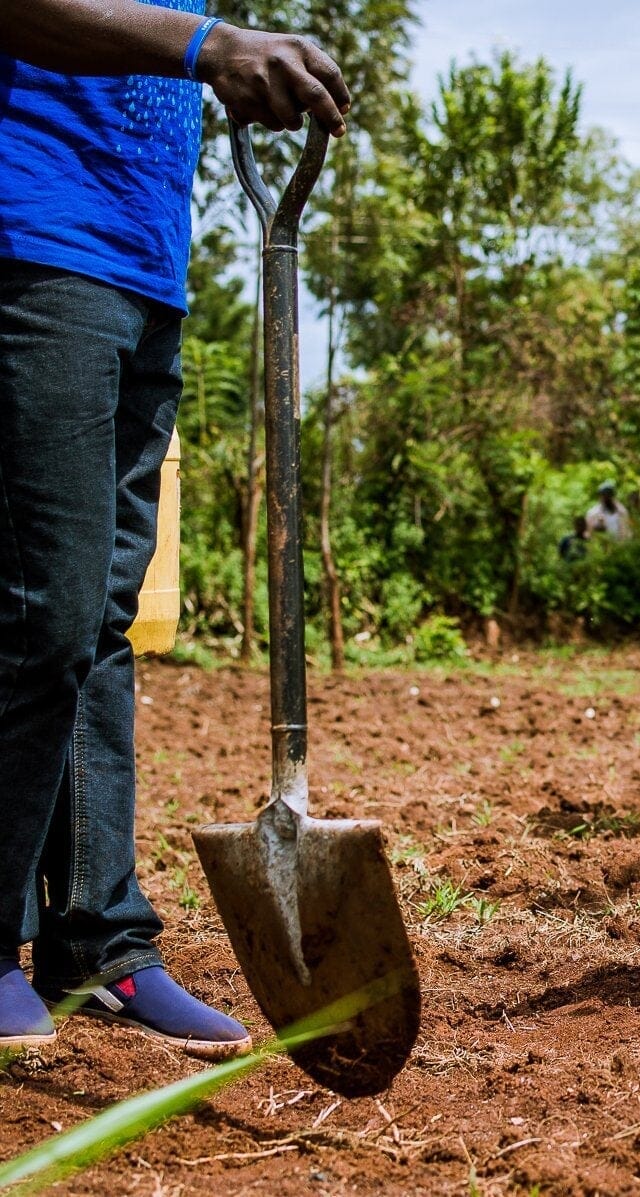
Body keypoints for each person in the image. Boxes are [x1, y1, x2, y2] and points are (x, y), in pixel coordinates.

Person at [0, 0, 350, 1055]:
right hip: (35, 240)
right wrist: (212, 48)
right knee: (41, 612)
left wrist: (241, 61)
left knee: (104, 621)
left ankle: (98, 942)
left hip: (144, 266)